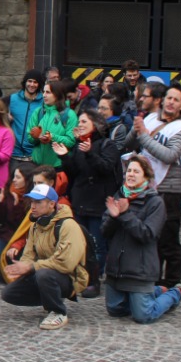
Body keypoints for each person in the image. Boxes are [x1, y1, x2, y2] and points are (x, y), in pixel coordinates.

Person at [124, 82, 181, 290]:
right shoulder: (151, 118)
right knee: (149, 237)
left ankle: (172, 282)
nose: (171, 102)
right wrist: (136, 130)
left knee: (168, 239)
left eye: (177, 100)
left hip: (169, 189)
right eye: (169, 98)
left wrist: (144, 135)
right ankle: (152, 278)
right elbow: (130, 143)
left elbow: (168, 155)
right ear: (163, 100)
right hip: (148, 186)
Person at [102, 155, 181, 323]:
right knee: (115, 310)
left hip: (140, 270)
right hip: (117, 270)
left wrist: (125, 215)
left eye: (136, 171)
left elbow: (147, 234)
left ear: (146, 177)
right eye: (129, 171)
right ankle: (151, 293)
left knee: (143, 316)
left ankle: (173, 293)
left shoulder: (155, 202)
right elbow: (105, 231)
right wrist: (113, 217)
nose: (131, 175)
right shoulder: (119, 196)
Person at [0, 184, 88, 329]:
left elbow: (65, 264)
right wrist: (22, 268)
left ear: (52, 204)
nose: (33, 206)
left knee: (43, 274)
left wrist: (31, 267)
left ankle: (58, 312)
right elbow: (28, 254)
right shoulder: (36, 226)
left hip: (70, 277)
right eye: (32, 202)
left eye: (38, 202)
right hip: (46, 272)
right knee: (8, 293)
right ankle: (50, 298)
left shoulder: (68, 225)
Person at [53, 110, 120, 298]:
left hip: (99, 202)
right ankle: (82, 277)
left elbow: (106, 168)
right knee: (81, 243)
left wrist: (90, 153)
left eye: (84, 121)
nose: (79, 124)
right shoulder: (79, 146)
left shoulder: (107, 145)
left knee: (97, 244)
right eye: (79, 121)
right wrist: (65, 156)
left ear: (95, 124)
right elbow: (74, 173)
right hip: (81, 200)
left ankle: (94, 280)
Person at [26, 78, 77, 170]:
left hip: (58, 166)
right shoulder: (38, 112)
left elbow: (71, 141)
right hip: (37, 165)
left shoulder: (69, 114)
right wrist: (36, 137)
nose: (44, 95)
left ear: (57, 95)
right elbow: (30, 138)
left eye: (48, 92)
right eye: (43, 92)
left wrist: (52, 137)